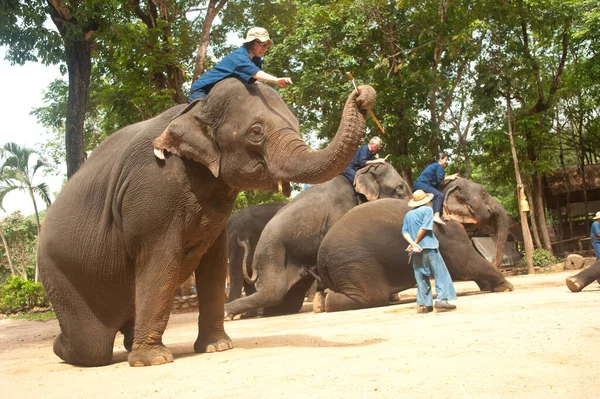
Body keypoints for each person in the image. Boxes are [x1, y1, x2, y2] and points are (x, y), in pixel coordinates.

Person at [188, 27, 292, 102]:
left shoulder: (256, 59)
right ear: (252, 42)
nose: (264, 49)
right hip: (204, 89)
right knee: (204, 117)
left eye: (266, 46)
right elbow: (255, 73)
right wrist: (275, 80)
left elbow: (252, 77)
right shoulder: (239, 57)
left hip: (222, 93)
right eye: (262, 44)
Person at [402, 189, 457, 314]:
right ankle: (442, 300)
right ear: (425, 200)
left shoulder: (408, 214)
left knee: (421, 276)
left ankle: (425, 304)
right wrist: (416, 241)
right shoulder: (427, 210)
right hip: (429, 247)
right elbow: (425, 228)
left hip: (416, 250)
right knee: (440, 274)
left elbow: (404, 232)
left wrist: (413, 244)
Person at [413, 152, 458, 225]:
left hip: (417, 185)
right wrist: (450, 177)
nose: (446, 162)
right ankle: (436, 216)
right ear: (441, 159)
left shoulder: (432, 166)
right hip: (423, 184)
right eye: (446, 159)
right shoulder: (439, 166)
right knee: (439, 195)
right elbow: (440, 179)